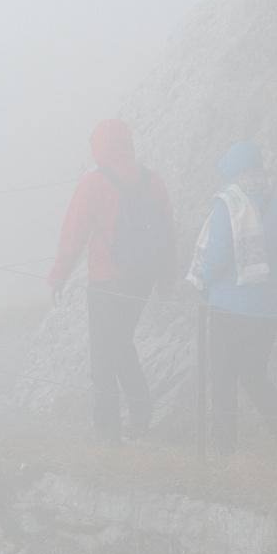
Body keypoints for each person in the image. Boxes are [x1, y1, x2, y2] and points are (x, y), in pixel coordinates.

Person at [48, 118, 174, 443]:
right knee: (120, 343)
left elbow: (73, 233)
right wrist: (166, 278)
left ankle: (111, 426)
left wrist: (58, 275)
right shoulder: (153, 180)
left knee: (104, 352)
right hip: (143, 277)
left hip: (107, 278)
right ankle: (138, 418)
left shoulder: (94, 182)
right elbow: (166, 233)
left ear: (99, 147)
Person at [186, 140, 277, 464]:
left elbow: (220, 251)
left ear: (234, 175)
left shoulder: (228, 205)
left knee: (223, 375)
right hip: (269, 307)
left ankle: (224, 449)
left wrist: (203, 283)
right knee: (254, 373)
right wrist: (270, 276)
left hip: (229, 306)